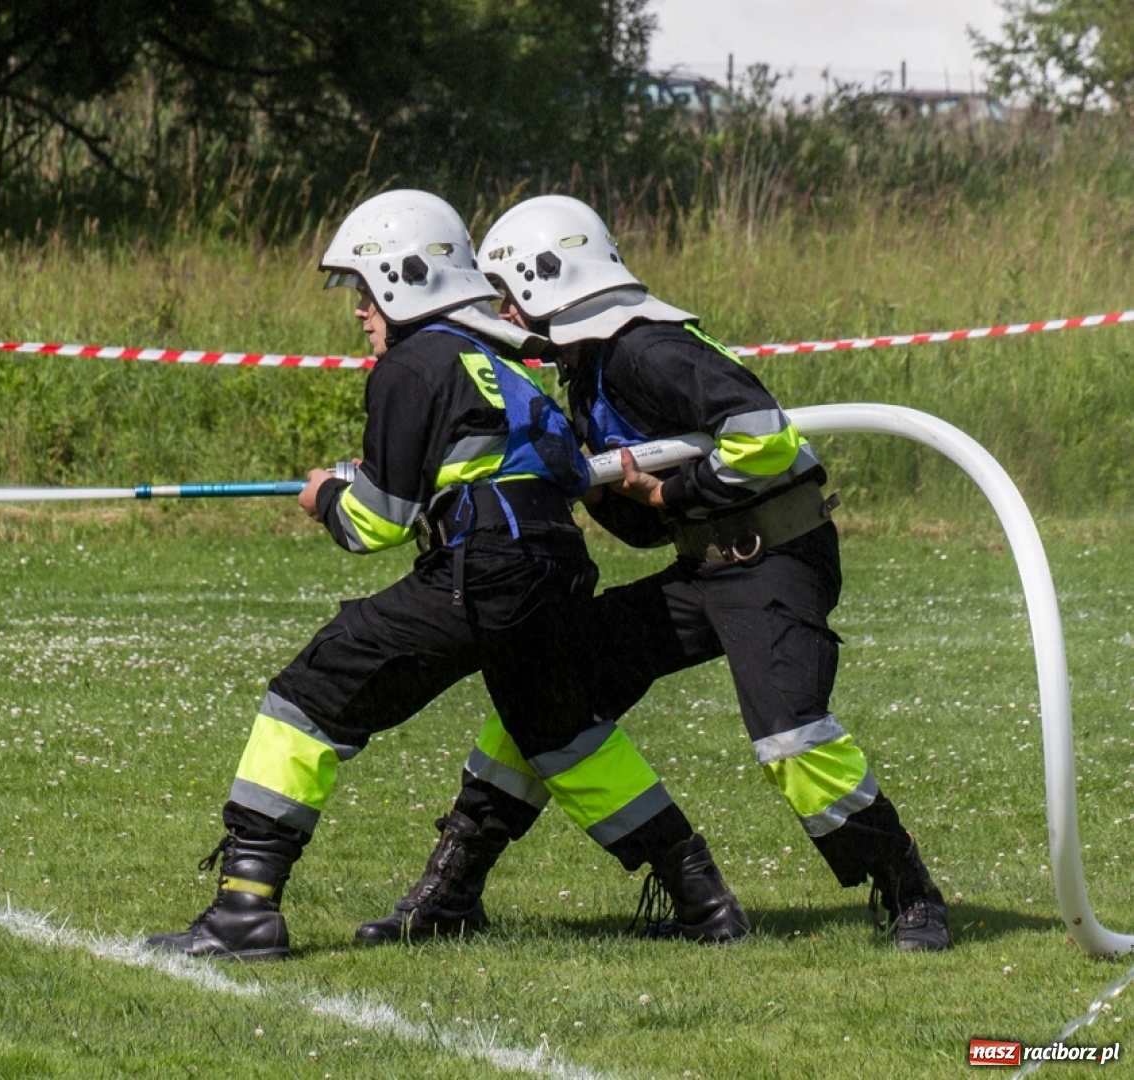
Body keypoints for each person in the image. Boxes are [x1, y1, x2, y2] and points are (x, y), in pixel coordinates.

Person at [146, 190, 747, 961]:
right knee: (559, 732)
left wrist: (327, 494)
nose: (360, 310)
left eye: (364, 290)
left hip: (486, 567)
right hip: (557, 565)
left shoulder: (411, 364)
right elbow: (539, 472)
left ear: (402, 278)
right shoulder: (503, 362)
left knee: (308, 697)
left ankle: (245, 910)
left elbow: (374, 524)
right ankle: (702, 897)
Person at [354, 195, 950, 952]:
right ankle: (456, 889)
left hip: (775, 560)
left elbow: (762, 435)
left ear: (545, 279)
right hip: (706, 567)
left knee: (792, 739)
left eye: (507, 292)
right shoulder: (591, 364)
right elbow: (644, 529)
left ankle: (908, 890)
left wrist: (673, 491)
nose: (502, 309)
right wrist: (613, 491)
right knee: (551, 686)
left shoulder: (645, 348)